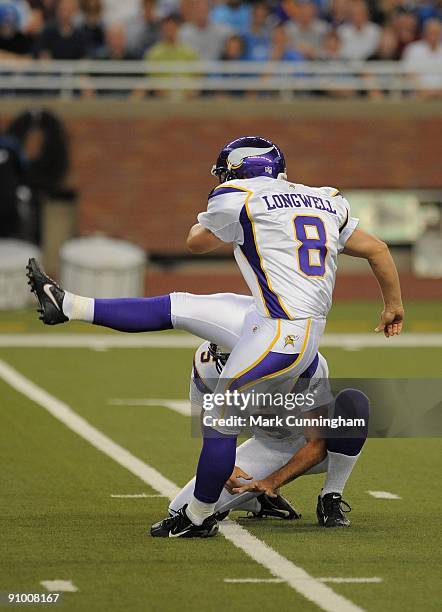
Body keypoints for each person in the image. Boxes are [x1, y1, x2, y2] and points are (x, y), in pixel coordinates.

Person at [27, 136, 404, 538]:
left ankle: (200, 517)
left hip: (282, 333)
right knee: (181, 306)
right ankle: (68, 305)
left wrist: (214, 216)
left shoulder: (239, 196)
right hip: (271, 319)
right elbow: (378, 249)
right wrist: (393, 305)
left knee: (221, 418)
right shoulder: (326, 199)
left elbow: (196, 242)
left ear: (241, 169)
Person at [164, 337, 369, 531]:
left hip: (319, 448)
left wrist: (272, 481)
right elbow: (210, 415)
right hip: (267, 445)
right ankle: (260, 502)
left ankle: (330, 498)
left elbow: (316, 443)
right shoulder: (205, 363)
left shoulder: (303, 362)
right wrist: (223, 464)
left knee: (354, 403)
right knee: (181, 509)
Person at [402, 18, 442, 99]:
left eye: (437, 32)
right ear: (425, 33)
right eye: (431, 32)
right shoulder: (413, 49)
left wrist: (439, 93)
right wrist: (422, 91)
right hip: (418, 95)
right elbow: (408, 73)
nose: (434, 35)